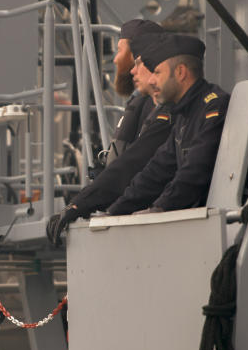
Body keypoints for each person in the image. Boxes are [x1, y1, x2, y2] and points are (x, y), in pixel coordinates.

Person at [47, 30, 172, 246]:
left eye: (121, 51)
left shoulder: (169, 112)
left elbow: (137, 164)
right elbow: (147, 169)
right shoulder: (151, 106)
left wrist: (91, 205)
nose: (117, 60)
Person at [105, 33, 229, 215]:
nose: (152, 80)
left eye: (157, 72)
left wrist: (161, 208)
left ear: (180, 72)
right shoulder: (183, 114)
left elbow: (195, 170)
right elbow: (156, 171)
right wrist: (114, 211)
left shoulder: (213, 107)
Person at [105, 19, 167, 165]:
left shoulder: (153, 104)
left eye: (120, 51)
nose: (115, 59)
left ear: (136, 55)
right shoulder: (141, 101)